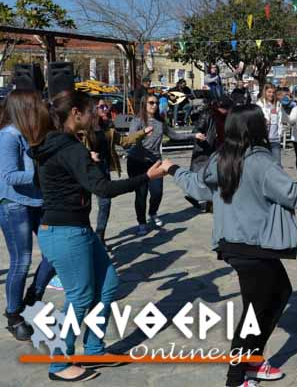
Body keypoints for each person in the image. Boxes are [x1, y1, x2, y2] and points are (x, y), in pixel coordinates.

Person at [162, 105, 297, 387]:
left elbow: (198, 187)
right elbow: (293, 195)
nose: (267, 123)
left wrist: (172, 169)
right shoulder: (260, 162)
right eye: (262, 120)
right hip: (253, 247)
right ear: (255, 127)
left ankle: (253, 360)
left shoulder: (221, 158)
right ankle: (235, 378)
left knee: (280, 292)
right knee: (255, 313)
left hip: (236, 246)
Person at [29, 90, 166, 382]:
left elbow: (46, 179)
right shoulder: (69, 148)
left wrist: (80, 168)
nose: (95, 116)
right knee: (80, 297)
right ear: (76, 113)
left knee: (108, 285)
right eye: (91, 111)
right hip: (65, 232)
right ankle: (59, 363)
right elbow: (103, 188)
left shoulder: (55, 144)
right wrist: (147, 177)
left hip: (76, 230)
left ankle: (93, 349)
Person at [0, 90, 56, 341]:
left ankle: (33, 297)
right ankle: (13, 314)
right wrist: (40, 173)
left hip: (38, 201)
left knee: (54, 253)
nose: (41, 108)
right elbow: (9, 176)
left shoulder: (33, 134)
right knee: (21, 261)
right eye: (36, 105)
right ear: (24, 108)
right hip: (14, 204)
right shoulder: (8, 136)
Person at [127, 95, 205, 234]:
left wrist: (194, 135)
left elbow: (175, 136)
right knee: (141, 194)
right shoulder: (137, 121)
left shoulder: (160, 121)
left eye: (156, 103)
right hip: (137, 162)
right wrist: (142, 133)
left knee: (157, 192)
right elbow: (131, 138)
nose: (155, 105)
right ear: (144, 104)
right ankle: (141, 223)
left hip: (156, 162)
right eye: (151, 103)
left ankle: (153, 213)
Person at [89, 98, 152, 248]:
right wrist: (87, 154)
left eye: (106, 107)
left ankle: (100, 236)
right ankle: (86, 237)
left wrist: (143, 132)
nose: (106, 109)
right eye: (102, 107)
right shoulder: (83, 130)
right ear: (93, 109)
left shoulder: (108, 129)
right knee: (85, 204)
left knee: (105, 202)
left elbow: (124, 141)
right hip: (86, 169)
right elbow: (73, 146)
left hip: (102, 169)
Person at [185, 98, 232, 212]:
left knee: (214, 176)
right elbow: (197, 130)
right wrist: (200, 136)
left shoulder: (225, 117)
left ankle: (210, 204)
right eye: (227, 109)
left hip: (218, 149)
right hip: (205, 148)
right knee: (203, 176)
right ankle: (194, 196)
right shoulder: (208, 115)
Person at [258, 84, 286, 164]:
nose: (271, 94)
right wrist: (265, 121)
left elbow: (283, 118)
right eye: (269, 92)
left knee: (277, 164)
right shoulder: (260, 105)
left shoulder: (278, 104)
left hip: (275, 139)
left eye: (273, 92)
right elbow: (256, 121)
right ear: (265, 92)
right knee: (265, 164)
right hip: (264, 139)